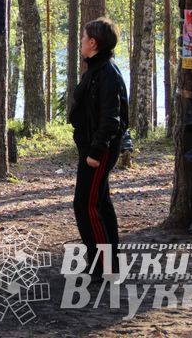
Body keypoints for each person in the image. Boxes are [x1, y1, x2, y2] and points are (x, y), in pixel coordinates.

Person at [69, 17, 129, 279]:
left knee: (86, 206)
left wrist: (96, 151)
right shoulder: (96, 70)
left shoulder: (107, 73)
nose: (81, 42)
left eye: (84, 38)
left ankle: (104, 267)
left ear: (93, 43)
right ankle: (108, 263)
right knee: (100, 203)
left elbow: (111, 118)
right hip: (91, 147)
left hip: (98, 151)